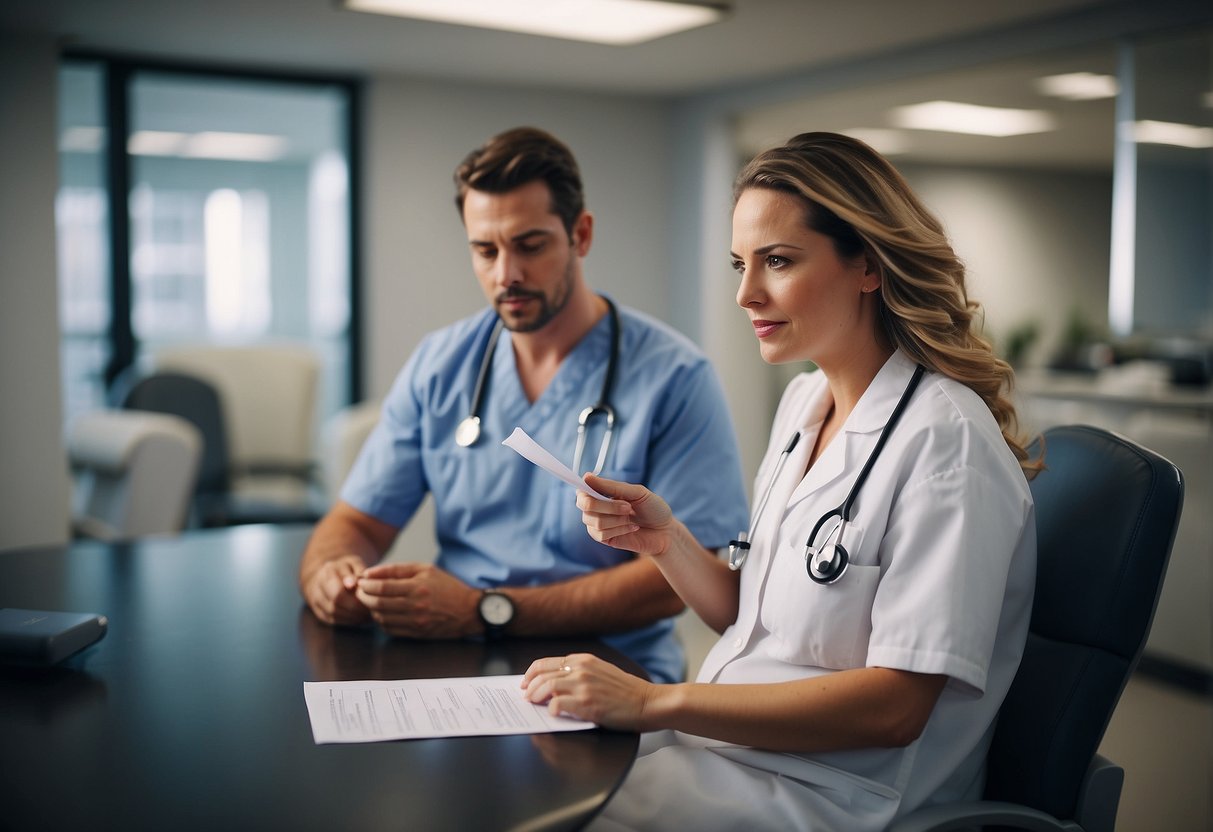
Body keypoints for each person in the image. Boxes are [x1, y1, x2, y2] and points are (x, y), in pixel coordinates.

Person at [522, 132, 1042, 830]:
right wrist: (665, 539)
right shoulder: (803, 406)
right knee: (526, 768)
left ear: (867, 265)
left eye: (777, 261)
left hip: (830, 794)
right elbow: (750, 622)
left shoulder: (945, 444)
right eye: (740, 263)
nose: (745, 293)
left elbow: (894, 707)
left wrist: (654, 701)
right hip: (730, 751)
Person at [298, 126, 748, 684]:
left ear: (580, 235)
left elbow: (674, 582)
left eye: (529, 246)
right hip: (456, 663)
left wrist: (484, 609)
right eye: (485, 251)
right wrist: (330, 574)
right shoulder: (441, 364)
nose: (505, 274)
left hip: (611, 671)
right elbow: (355, 523)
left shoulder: (675, 378)